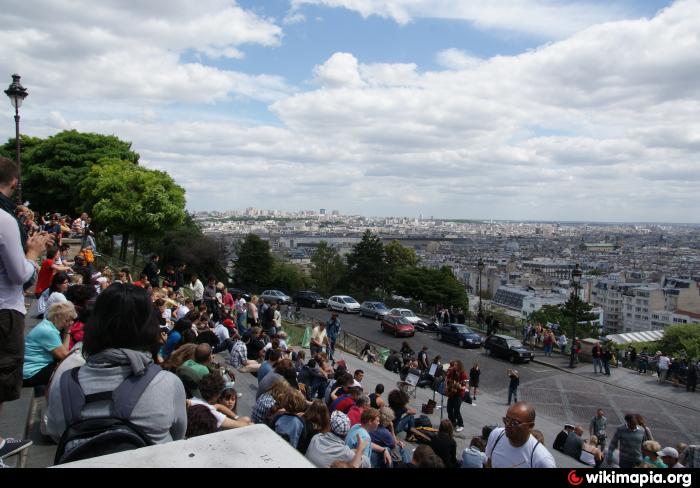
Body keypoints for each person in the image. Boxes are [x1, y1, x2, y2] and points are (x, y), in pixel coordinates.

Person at [46, 283, 187, 444]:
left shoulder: (63, 383)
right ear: (149, 328)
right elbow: (178, 436)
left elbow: (56, 433)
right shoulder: (169, 383)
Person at [485, 401, 556, 468]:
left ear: (530, 426)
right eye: (506, 420)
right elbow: (489, 463)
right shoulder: (496, 435)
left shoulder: (542, 460)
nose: (507, 425)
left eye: (515, 423)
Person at [23, 302, 75, 387]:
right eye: (66, 320)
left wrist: (67, 331)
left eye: (71, 321)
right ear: (56, 317)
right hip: (31, 372)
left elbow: (64, 351)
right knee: (69, 371)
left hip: (32, 367)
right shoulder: (48, 331)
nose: (69, 323)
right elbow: (65, 356)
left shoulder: (47, 325)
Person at [305, 410, 371, 468]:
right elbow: (367, 463)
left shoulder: (316, 437)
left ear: (330, 427)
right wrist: (360, 450)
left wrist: (351, 451)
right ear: (345, 434)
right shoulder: (346, 453)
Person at [445, 360, 468, 432]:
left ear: (459, 366)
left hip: (459, 394)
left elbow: (464, 386)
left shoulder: (463, 374)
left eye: (455, 365)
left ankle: (461, 425)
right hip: (452, 392)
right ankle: (453, 422)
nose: (454, 366)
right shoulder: (452, 371)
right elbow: (447, 378)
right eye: (454, 365)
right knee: (449, 409)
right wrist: (446, 386)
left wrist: (459, 387)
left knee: (456, 410)